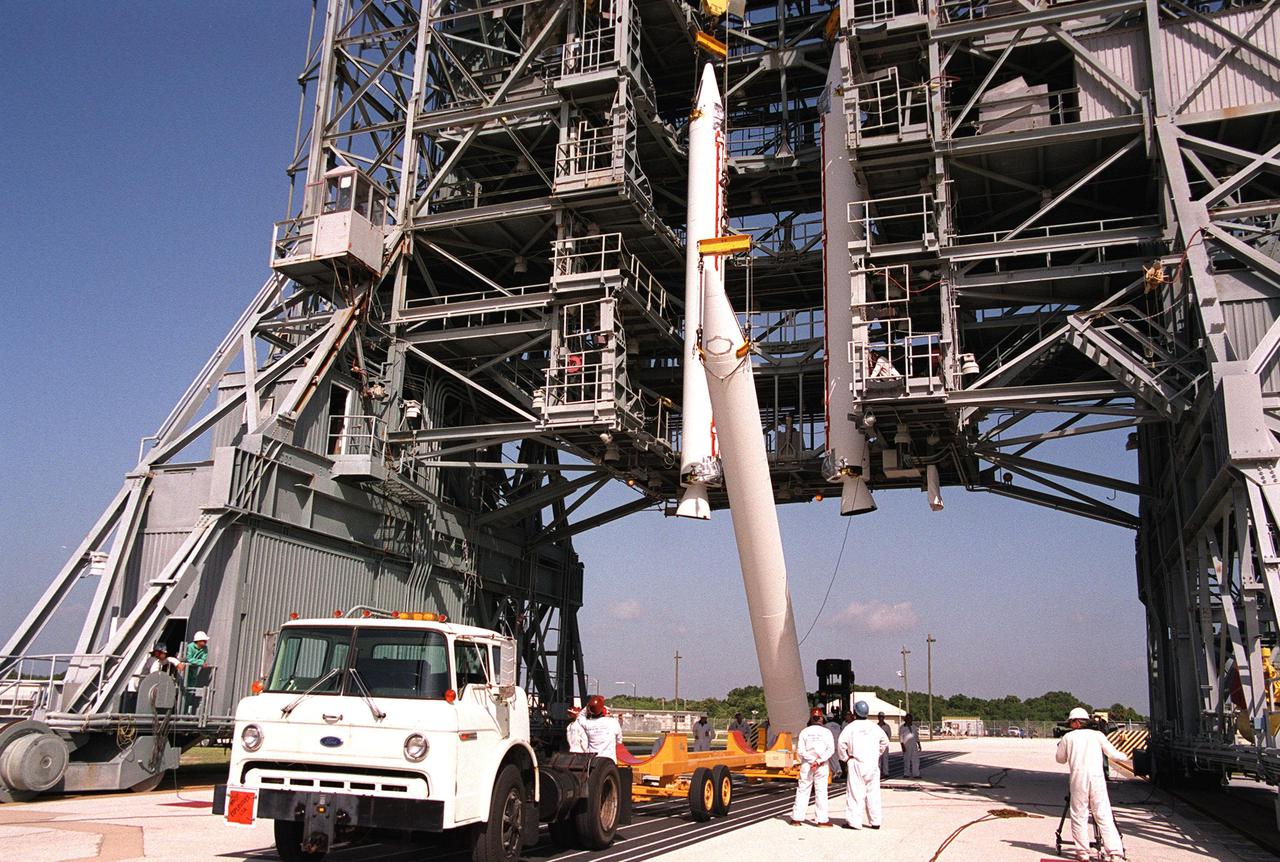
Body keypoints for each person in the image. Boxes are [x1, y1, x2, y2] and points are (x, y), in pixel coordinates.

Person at [1055, 706, 1130, 862]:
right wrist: (1127, 755)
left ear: (1075, 722)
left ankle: (1082, 852)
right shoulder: (1098, 735)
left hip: (1078, 778)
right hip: (1097, 778)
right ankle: (1114, 853)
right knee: (1103, 814)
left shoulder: (1068, 738)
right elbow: (1114, 754)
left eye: (1070, 722)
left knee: (1078, 814)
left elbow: (1060, 759)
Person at [837, 700, 890, 830]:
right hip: (872, 764)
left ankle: (854, 822)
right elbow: (885, 742)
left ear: (855, 712)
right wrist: (877, 754)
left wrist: (846, 758)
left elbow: (841, 744)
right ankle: (875, 821)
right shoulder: (874, 727)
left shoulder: (850, 727)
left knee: (855, 792)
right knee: (873, 793)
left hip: (856, 763)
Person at [790, 708, 836, 827]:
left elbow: (800, 751)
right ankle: (822, 820)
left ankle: (797, 818)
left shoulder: (804, 732)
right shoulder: (827, 732)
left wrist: (811, 760)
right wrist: (818, 760)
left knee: (803, 789)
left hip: (807, 764)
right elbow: (830, 750)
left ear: (811, 718)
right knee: (821, 791)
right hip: (821, 764)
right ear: (821, 718)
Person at [568, 695, 623, 762]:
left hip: (593, 761)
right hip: (609, 761)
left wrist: (590, 705)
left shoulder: (588, 724)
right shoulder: (613, 722)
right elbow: (619, 741)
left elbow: (580, 716)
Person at [825, 712, 844, 778]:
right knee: (835, 759)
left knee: (832, 759)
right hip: (837, 744)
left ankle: (836, 771)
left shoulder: (826, 726)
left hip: (831, 744)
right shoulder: (838, 725)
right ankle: (837, 770)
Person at [876, 712, 893, 776]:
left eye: (882, 717)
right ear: (878, 717)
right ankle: (878, 772)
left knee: (885, 758)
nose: (881, 718)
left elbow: (889, 735)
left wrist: (886, 742)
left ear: (884, 718)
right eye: (880, 717)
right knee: (878, 759)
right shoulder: (876, 726)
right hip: (877, 745)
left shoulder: (887, 726)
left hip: (885, 744)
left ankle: (886, 772)